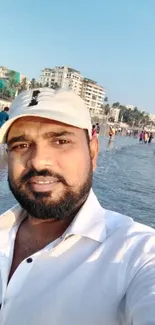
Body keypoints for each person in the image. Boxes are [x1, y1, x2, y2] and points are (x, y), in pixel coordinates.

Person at [0, 88, 155, 324]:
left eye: (61, 141)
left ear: (93, 153)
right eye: (21, 145)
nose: (39, 160)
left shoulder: (138, 254)